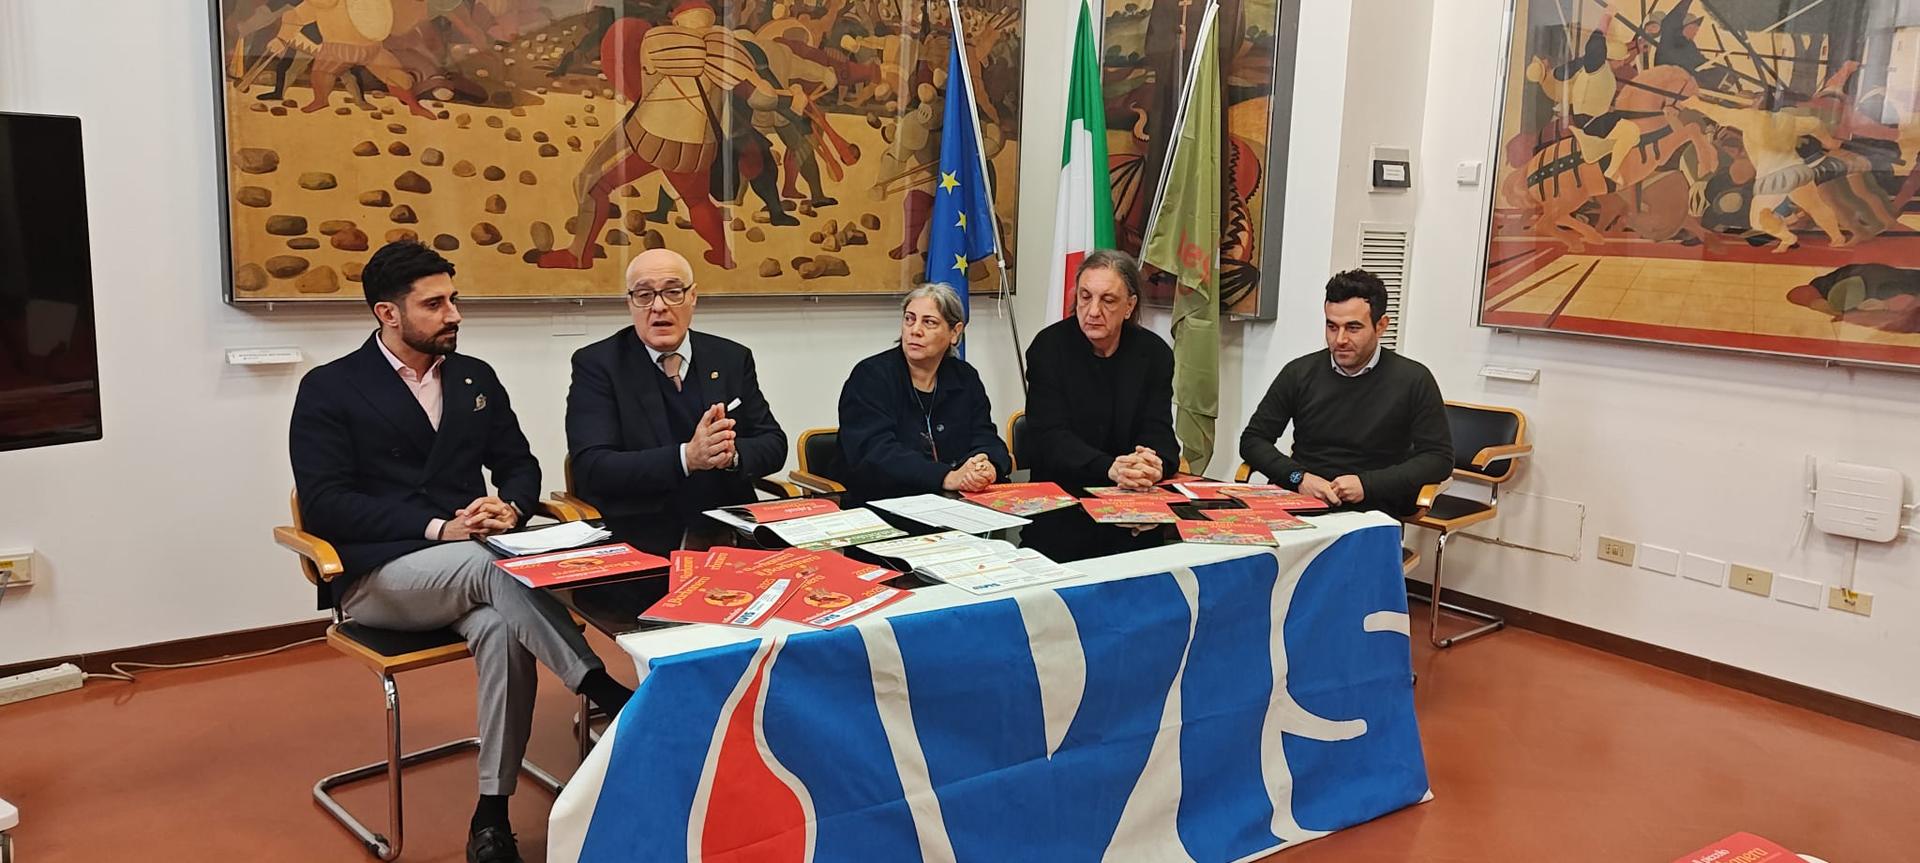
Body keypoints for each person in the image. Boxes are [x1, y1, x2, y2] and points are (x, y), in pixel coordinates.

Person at [289, 241, 631, 863]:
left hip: (477, 570)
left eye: (454, 298)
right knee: (489, 562)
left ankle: (491, 816)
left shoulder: (474, 377)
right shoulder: (329, 388)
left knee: (501, 628)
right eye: (435, 304)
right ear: (387, 314)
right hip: (378, 577)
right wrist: (436, 527)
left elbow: (518, 463)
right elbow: (327, 504)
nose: (454, 314)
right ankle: (604, 691)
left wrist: (513, 508)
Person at [565, 248, 788, 532]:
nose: (659, 306)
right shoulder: (598, 364)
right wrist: (687, 457)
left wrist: (731, 453)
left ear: (693, 296)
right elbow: (592, 467)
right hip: (641, 528)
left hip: (728, 525)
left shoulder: (731, 357)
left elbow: (773, 444)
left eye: (673, 292)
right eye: (644, 295)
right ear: (630, 303)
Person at [1239, 269, 1452, 517]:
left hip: (1371, 509)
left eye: (1353, 328)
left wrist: (1367, 485)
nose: (1339, 339)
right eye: (1332, 326)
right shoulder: (1299, 372)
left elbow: (1438, 459)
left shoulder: (1413, 379)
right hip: (1299, 501)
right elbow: (1253, 440)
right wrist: (1299, 477)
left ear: (1381, 326)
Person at [837, 282, 1010, 504]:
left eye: (929, 322)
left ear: (955, 332)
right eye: (909, 319)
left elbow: (985, 436)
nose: (915, 330)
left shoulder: (964, 377)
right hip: (882, 502)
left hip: (954, 503)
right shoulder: (870, 376)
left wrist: (986, 465)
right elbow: (874, 453)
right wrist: (946, 477)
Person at [1023, 249, 1178, 489]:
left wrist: (1152, 464)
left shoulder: (1154, 353)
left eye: (1108, 300)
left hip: (1131, 490)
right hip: (1062, 491)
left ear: (1129, 306)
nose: (1093, 311)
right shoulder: (1048, 348)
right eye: (1085, 297)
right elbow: (1049, 438)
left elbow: (1158, 431)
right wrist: (1109, 467)